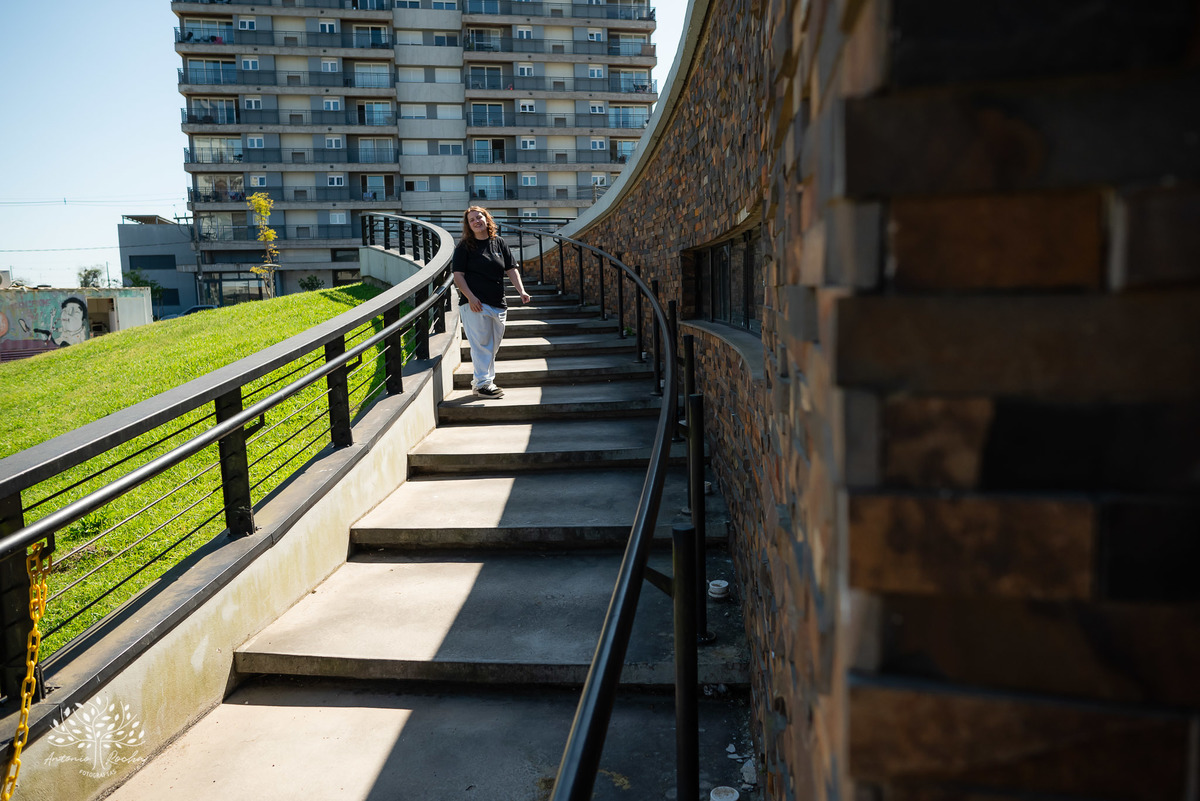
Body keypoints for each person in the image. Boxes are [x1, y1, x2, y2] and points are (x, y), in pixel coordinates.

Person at [452, 206, 531, 398]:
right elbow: (458, 275)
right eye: (472, 220)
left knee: (492, 346)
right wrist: (471, 297)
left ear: (487, 219)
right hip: (475, 304)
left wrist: (521, 291)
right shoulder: (464, 247)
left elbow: (511, 269)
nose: (476, 221)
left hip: (498, 302)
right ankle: (483, 384)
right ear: (468, 226)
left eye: (479, 217)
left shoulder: (499, 243)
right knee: (482, 345)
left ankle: (482, 382)